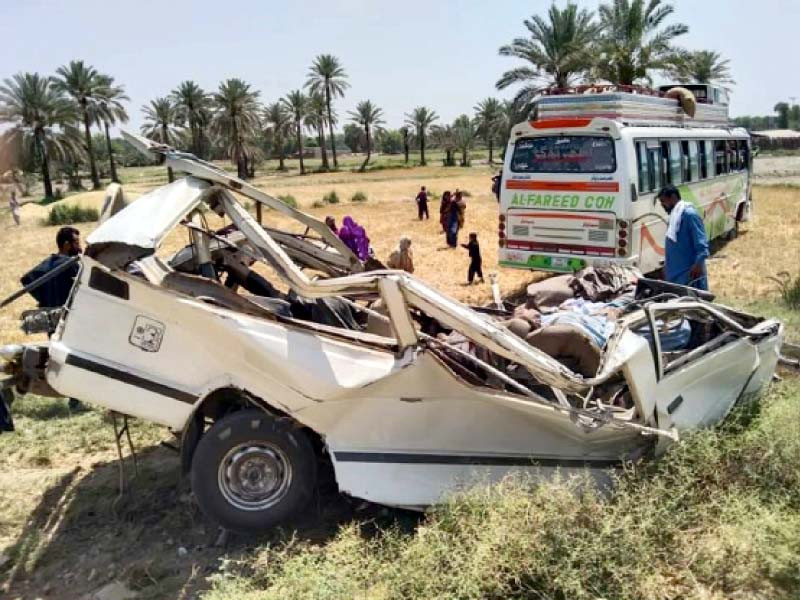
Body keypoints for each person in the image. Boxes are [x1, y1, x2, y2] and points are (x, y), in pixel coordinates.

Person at [657, 185, 709, 290]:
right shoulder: (674, 216)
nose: (662, 205)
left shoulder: (689, 215)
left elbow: (701, 244)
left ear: (672, 197)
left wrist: (698, 264)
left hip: (689, 274)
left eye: (663, 201)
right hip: (674, 275)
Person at [21, 226, 82, 308]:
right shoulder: (71, 264)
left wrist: (43, 299)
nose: (79, 247)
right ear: (67, 245)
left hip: (49, 312)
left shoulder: (48, 263)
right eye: (77, 243)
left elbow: (26, 280)